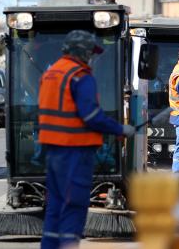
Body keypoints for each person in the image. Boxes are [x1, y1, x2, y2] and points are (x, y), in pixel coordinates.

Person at [38, 30, 135, 249]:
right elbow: (91, 116)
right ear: (81, 51)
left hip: (52, 151)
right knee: (74, 206)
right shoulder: (80, 76)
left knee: (55, 207)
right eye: (90, 52)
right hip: (75, 152)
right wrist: (120, 128)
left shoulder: (52, 73)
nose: (92, 57)